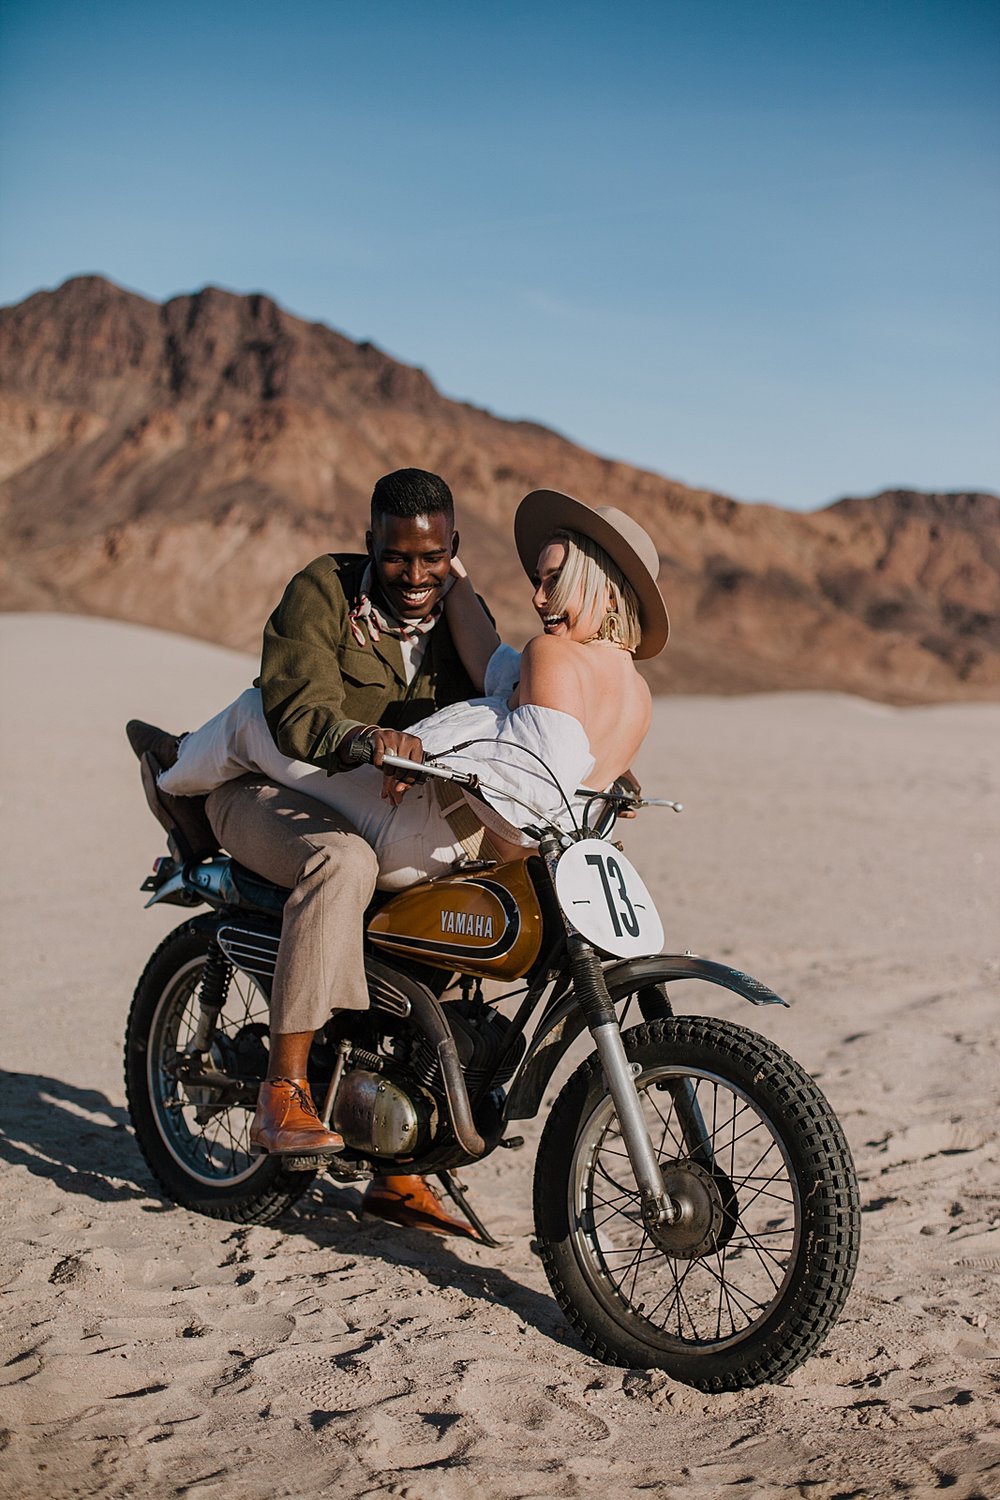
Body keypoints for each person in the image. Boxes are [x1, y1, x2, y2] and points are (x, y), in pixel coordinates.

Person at [154, 489, 669, 1176]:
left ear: (599, 584)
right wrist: (390, 744)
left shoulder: (554, 658)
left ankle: (406, 1139)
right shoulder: (633, 690)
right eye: (538, 579)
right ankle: (284, 1085)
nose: (541, 597)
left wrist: (440, 757)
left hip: (435, 825)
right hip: (383, 802)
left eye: (554, 580)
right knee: (260, 719)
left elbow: (528, 765)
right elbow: (505, 707)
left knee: (254, 726)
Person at [128, 468, 499, 1239]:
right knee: (341, 866)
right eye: (398, 557)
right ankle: (283, 1091)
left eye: (433, 558)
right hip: (264, 789)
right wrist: (367, 739)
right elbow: (295, 709)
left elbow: (505, 694)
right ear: (370, 545)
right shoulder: (322, 592)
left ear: (454, 550)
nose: (416, 575)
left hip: (376, 808)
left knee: (464, 901)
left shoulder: (461, 617)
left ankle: (399, 1162)